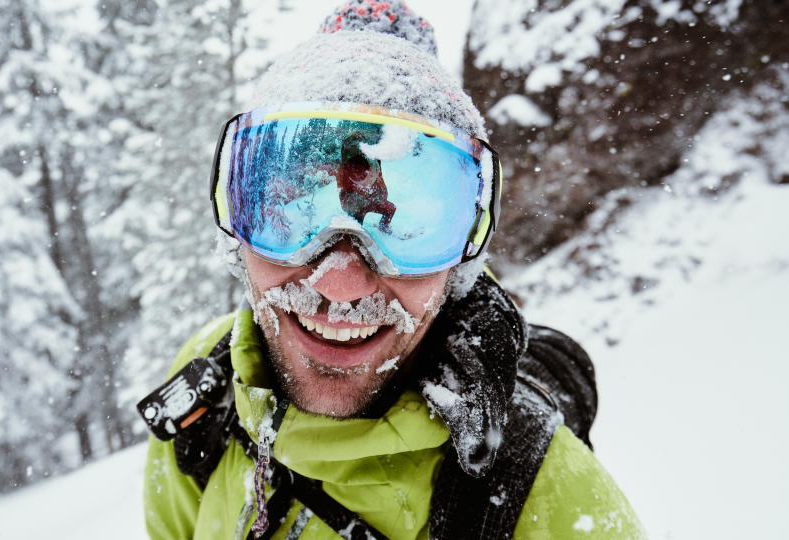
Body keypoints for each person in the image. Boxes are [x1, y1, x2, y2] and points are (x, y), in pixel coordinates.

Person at [139, 2, 647, 538]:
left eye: (409, 225)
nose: (338, 282)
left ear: (461, 258)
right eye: (291, 211)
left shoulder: (557, 507)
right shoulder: (205, 390)